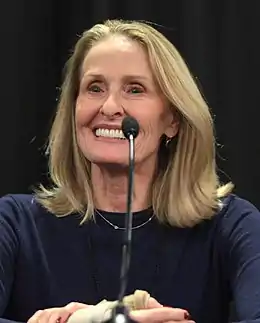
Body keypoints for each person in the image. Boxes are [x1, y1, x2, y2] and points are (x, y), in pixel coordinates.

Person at [0, 18, 260, 323]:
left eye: (134, 90)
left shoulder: (231, 225)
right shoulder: (14, 223)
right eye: (94, 88)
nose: (110, 107)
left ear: (173, 120)